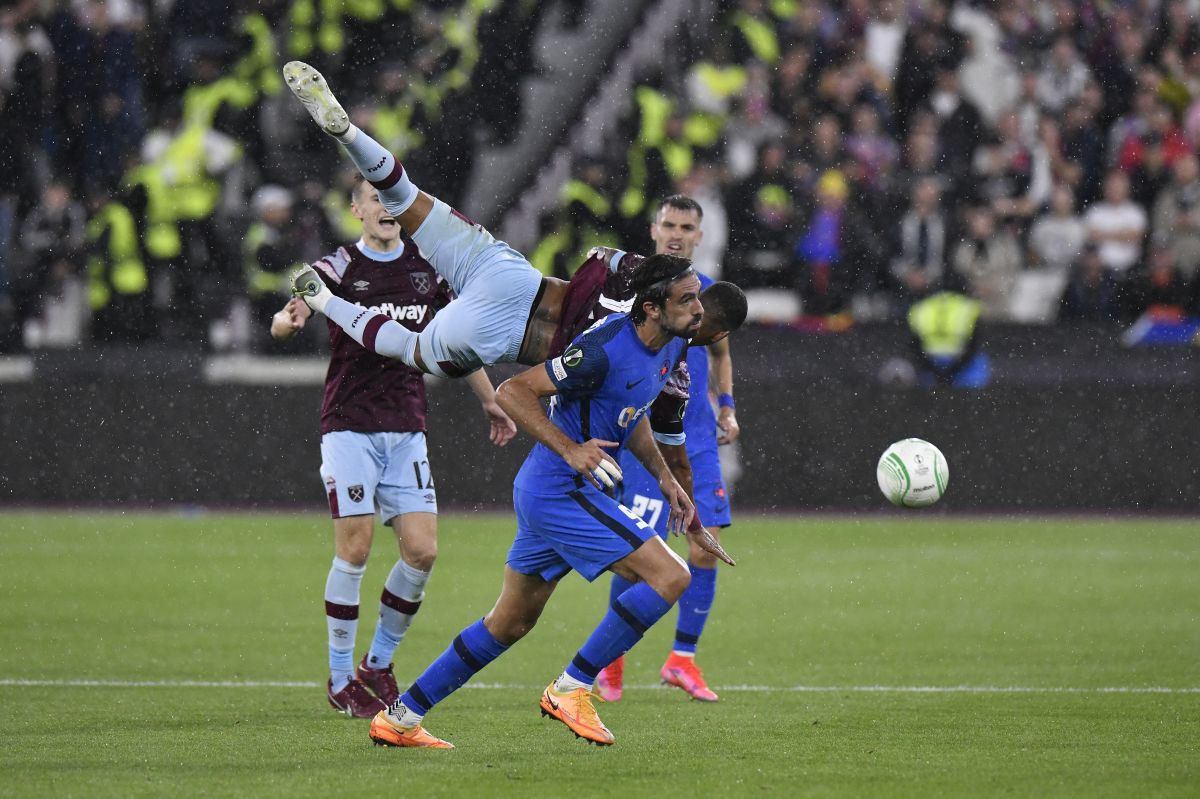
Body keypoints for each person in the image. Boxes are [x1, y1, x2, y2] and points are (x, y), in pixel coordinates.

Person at [364, 254, 736, 750]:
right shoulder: (605, 346)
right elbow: (514, 389)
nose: (698, 308)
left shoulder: (668, 349)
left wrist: (666, 479)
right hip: (562, 490)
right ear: (651, 307)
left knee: (508, 623)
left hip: (556, 492)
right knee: (671, 576)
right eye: (687, 298)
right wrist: (570, 449)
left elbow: (633, 413)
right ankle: (572, 687)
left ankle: (401, 717)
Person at [270, 173, 517, 718]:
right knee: (355, 548)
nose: (384, 207)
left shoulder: (427, 269)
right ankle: (339, 679)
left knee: (423, 551)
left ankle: (376, 664)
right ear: (355, 210)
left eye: (390, 200)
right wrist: (287, 319)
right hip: (349, 424)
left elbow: (457, 341)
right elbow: (298, 303)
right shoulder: (339, 267)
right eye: (373, 199)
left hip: (407, 426)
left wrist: (489, 399)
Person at [283, 60, 577, 378]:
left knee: (402, 199)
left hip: (483, 297)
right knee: (403, 198)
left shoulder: (390, 273)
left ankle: (349, 136)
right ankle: (350, 137)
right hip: (493, 300)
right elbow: (518, 393)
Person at [580, 196, 742, 704]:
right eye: (668, 224)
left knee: (704, 545)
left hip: (694, 435)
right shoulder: (634, 292)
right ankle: (612, 662)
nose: (676, 233)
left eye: (686, 227)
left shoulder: (707, 294)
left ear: (699, 234)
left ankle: (681, 661)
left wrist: (728, 407)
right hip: (643, 434)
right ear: (653, 230)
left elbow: (720, 350)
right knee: (636, 550)